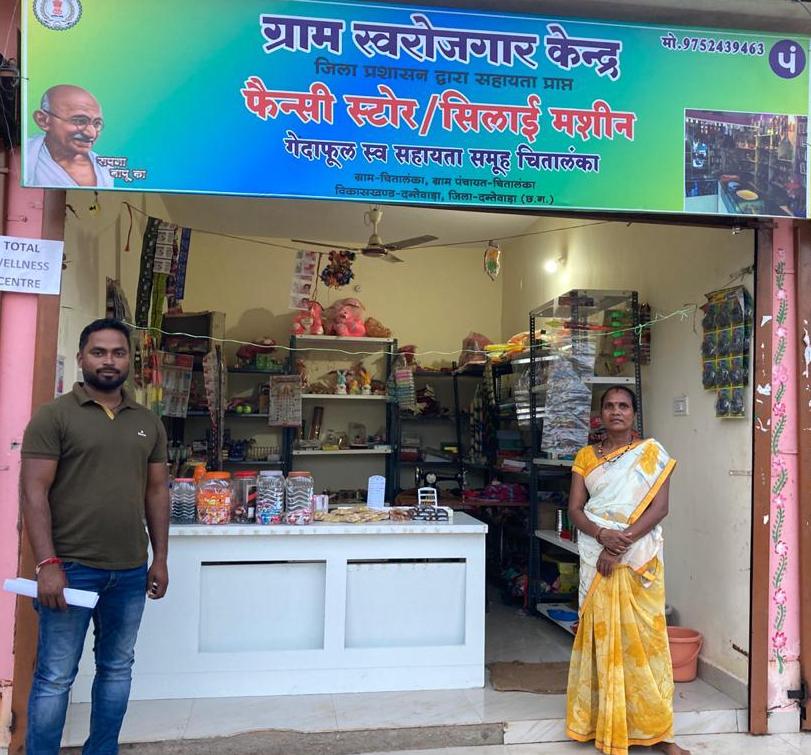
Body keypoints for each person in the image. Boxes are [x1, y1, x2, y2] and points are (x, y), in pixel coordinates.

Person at [20, 318, 169, 754]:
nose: (108, 360)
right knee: (55, 676)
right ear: (82, 357)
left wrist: (160, 558)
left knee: (117, 669)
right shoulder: (54, 416)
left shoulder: (147, 422)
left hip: (129, 571)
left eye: (118, 353)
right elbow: (33, 492)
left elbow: (157, 491)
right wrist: (47, 564)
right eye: (99, 352)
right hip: (70, 569)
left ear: (129, 361)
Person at [565, 386, 689, 755]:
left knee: (647, 645)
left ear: (634, 413)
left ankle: (660, 734)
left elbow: (659, 508)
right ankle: (602, 726)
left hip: (638, 559)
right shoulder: (585, 457)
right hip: (596, 555)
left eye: (623, 406)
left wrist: (618, 545)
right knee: (602, 642)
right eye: (609, 406)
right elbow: (575, 509)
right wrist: (601, 535)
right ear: (600, 413)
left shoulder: (651, 454)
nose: (616, 412)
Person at [25, 85, 114, 188]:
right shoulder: (26, 156)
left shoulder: (105, 168)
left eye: (97, 124)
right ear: (43, 120)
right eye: (79, 121)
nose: (91, 134)